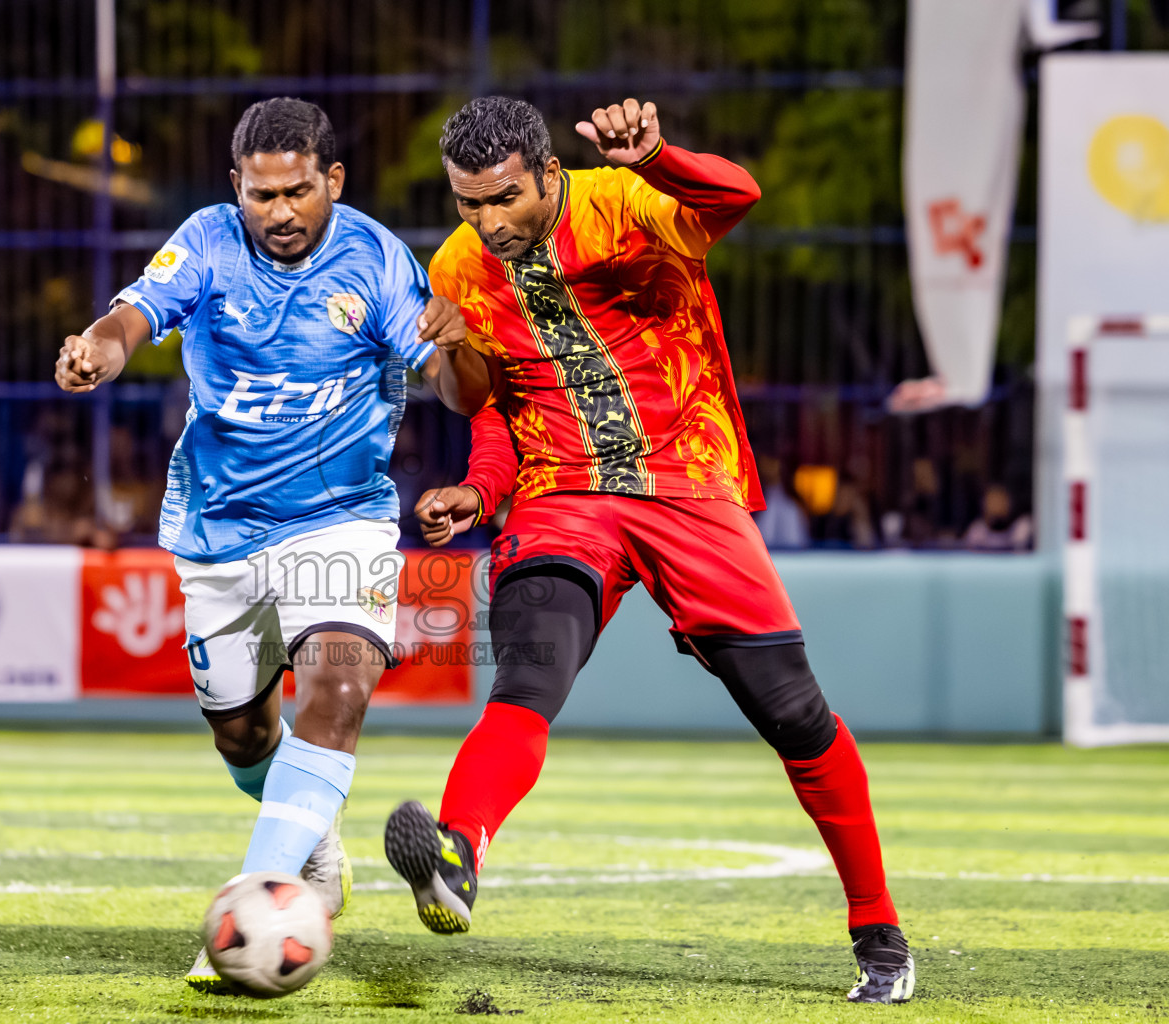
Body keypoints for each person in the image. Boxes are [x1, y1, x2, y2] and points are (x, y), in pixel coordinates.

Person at [382, 96, 914, 1005]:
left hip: (688, 484)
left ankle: (881, 936)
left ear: (548, 172)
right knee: (528, 674)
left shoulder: (627, 200)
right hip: (564, 496)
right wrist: (478, 486)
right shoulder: (460, 266)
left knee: (793, 714)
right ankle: (459, 851)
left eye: (504, 199)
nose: (490, 223)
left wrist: (658, 156)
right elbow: (488, 404)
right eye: (470, 204)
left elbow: (735, 196)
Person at [54, 97, 490, 992]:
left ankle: (256, 908)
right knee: (245, 737)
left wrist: (460, 347)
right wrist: (99, 348)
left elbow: (459, 391)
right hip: (219, 528)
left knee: (335, 689)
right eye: (261, 195)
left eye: (297, 191)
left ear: (331, 180)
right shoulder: (209, 241)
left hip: (341, 520)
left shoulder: (374, 262)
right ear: (237, 189)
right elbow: (135, 314)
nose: (279, 212)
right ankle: (311, 845)